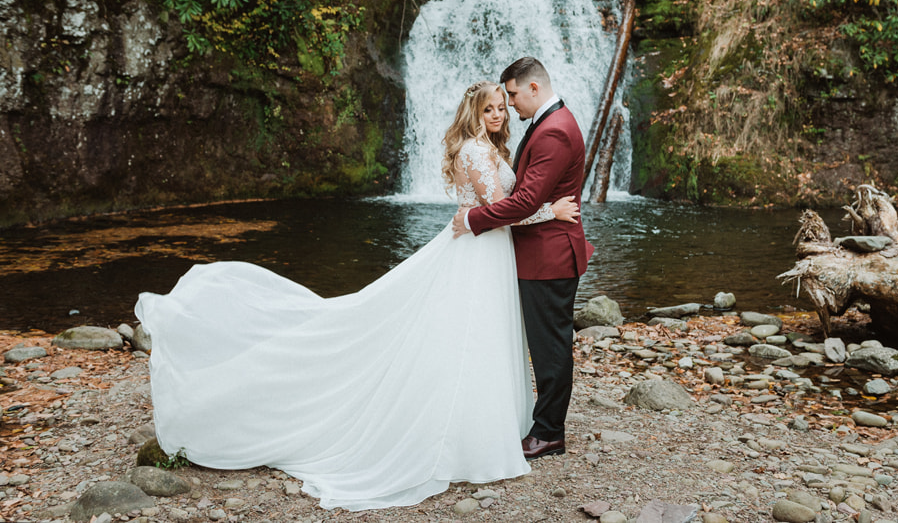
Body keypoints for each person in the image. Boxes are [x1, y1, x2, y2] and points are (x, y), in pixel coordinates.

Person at [134, 80, 579, 512]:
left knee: (473, 338)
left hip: (483, 252)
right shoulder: (478, 151)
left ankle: (479, 426)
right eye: (491, 108)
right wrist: (550, 211)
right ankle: (465, 434)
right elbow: (500, 211)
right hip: (481, 252)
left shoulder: (486, 148)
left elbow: (490, 208)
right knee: (468, 337)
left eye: (503, 106)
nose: (500, 114)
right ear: (474, 113)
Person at [452, 57, 593, 461]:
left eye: (511, 95)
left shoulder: (554, 132)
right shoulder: (550, 122)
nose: (508, 105)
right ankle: (542, 425)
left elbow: (526, 201)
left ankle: (549, 433)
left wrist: (473, 218)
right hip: (539, 251)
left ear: (534, 88)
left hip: (548, 256)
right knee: (547, 343)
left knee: (549, 347)